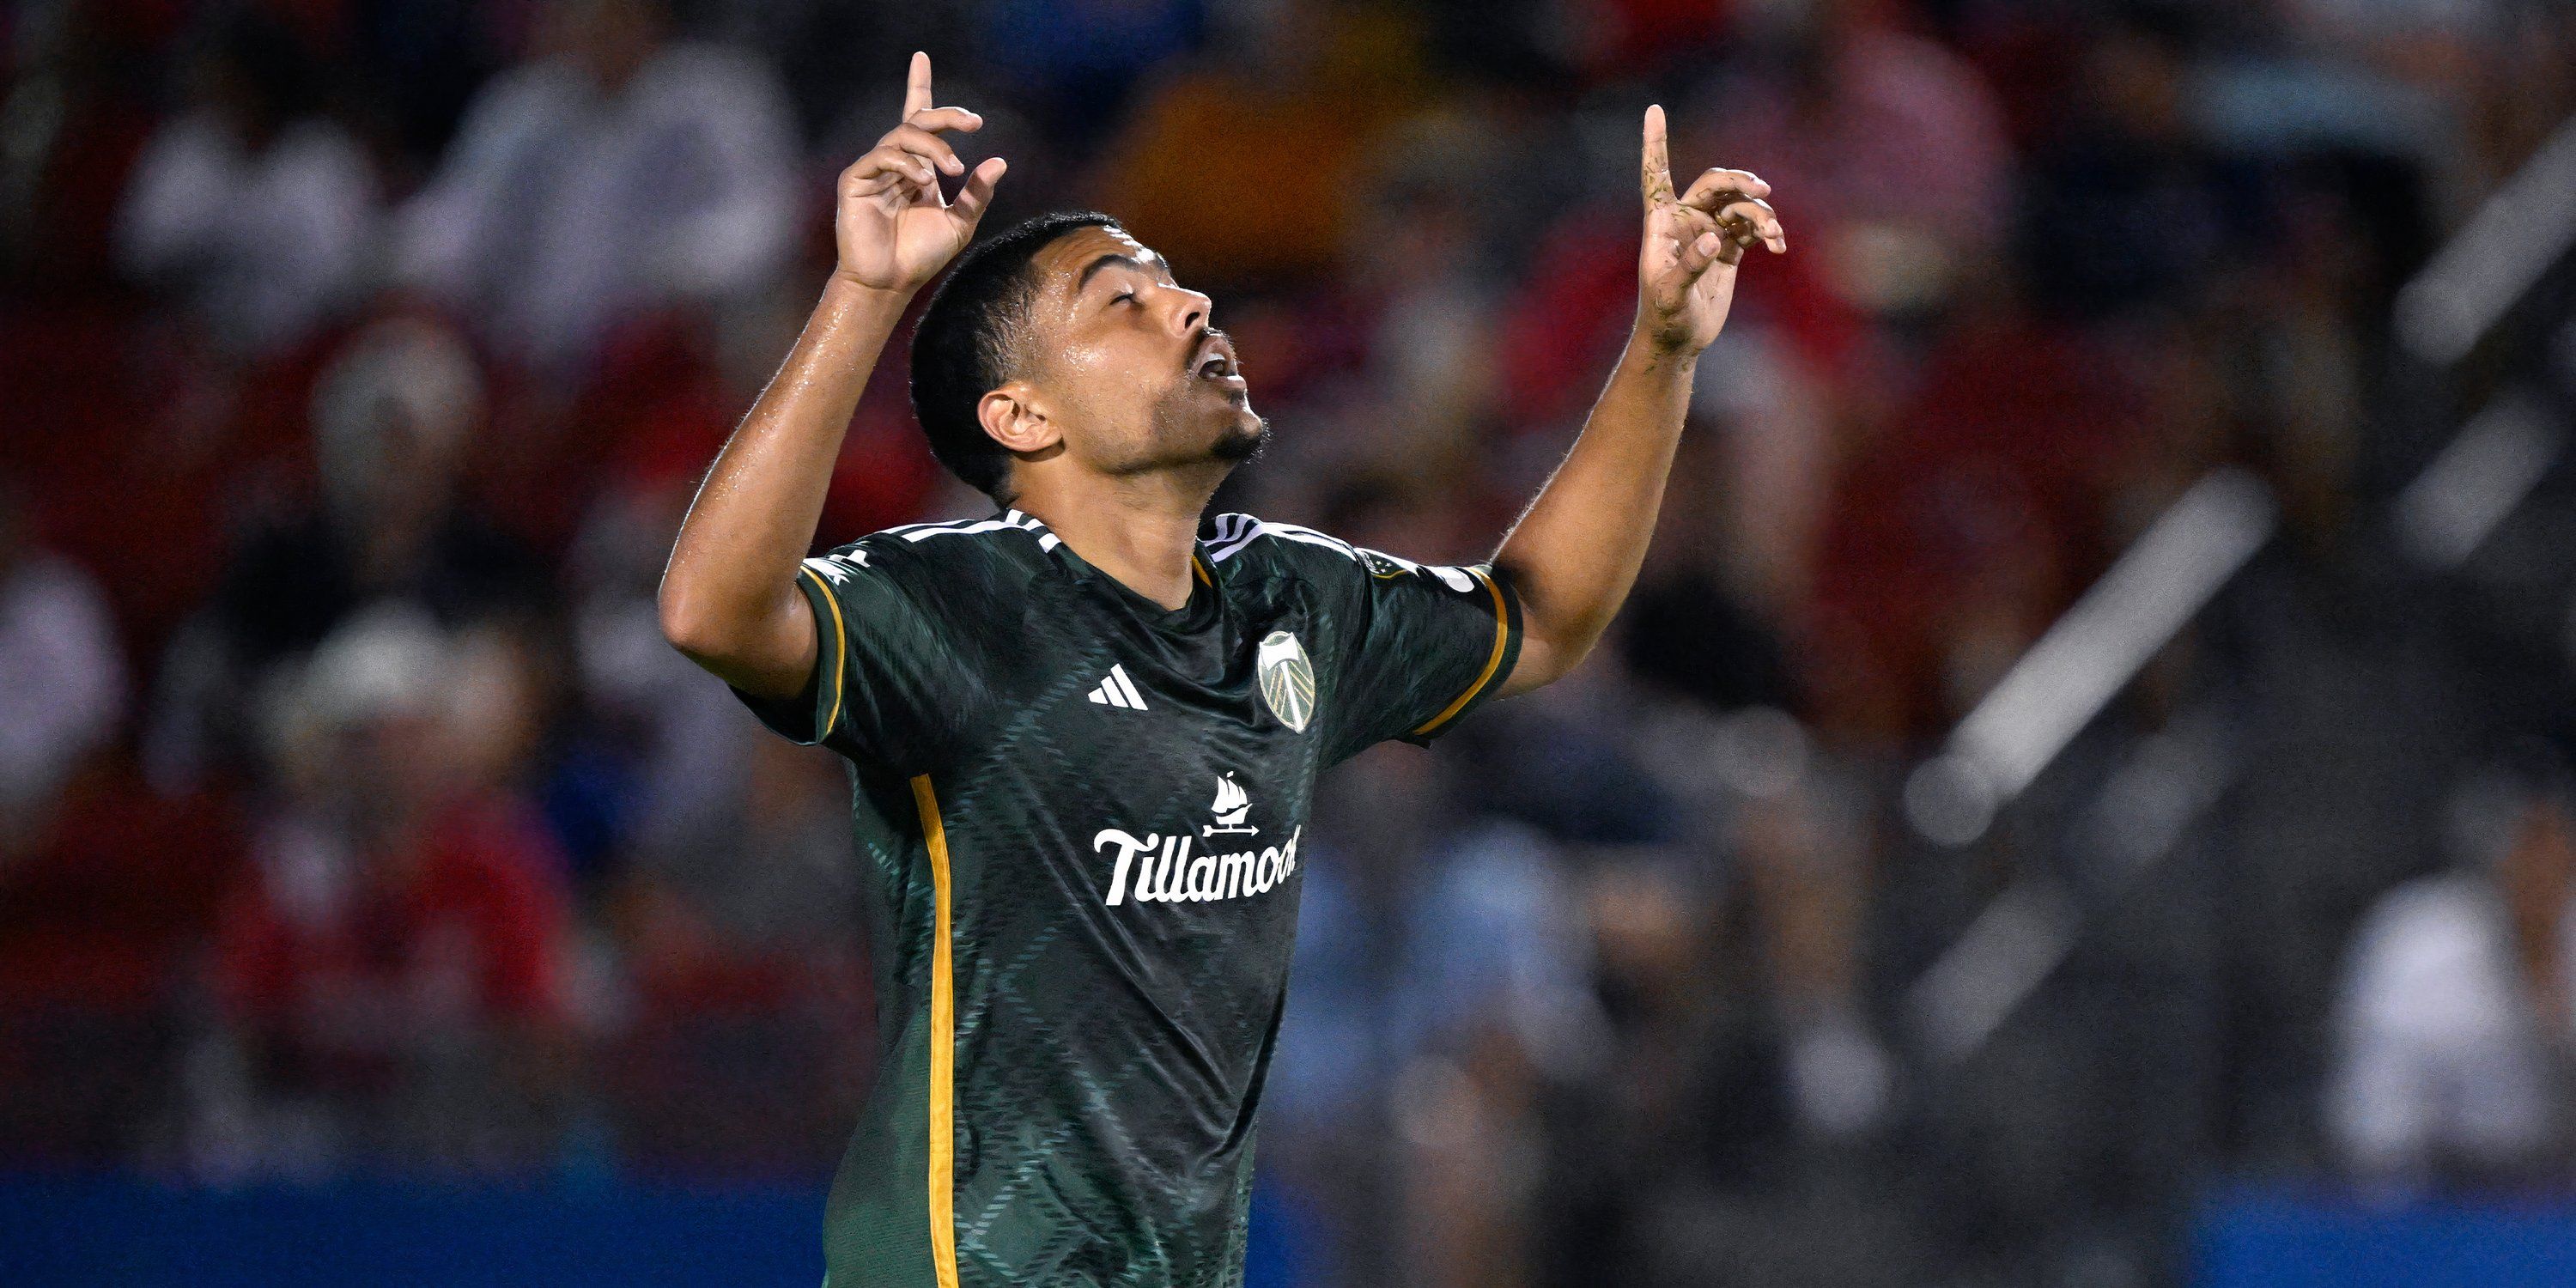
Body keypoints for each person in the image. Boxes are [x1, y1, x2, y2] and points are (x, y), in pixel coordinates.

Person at [655, 52, 1785, 1287]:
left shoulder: (1295, 598)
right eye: (1122, 304)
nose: (1192, 307)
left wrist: (1663, 349)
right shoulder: (962, 604)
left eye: (1181, 286)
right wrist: (866, 297)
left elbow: (1542, 622)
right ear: (1025, 419)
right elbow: (713, 611)